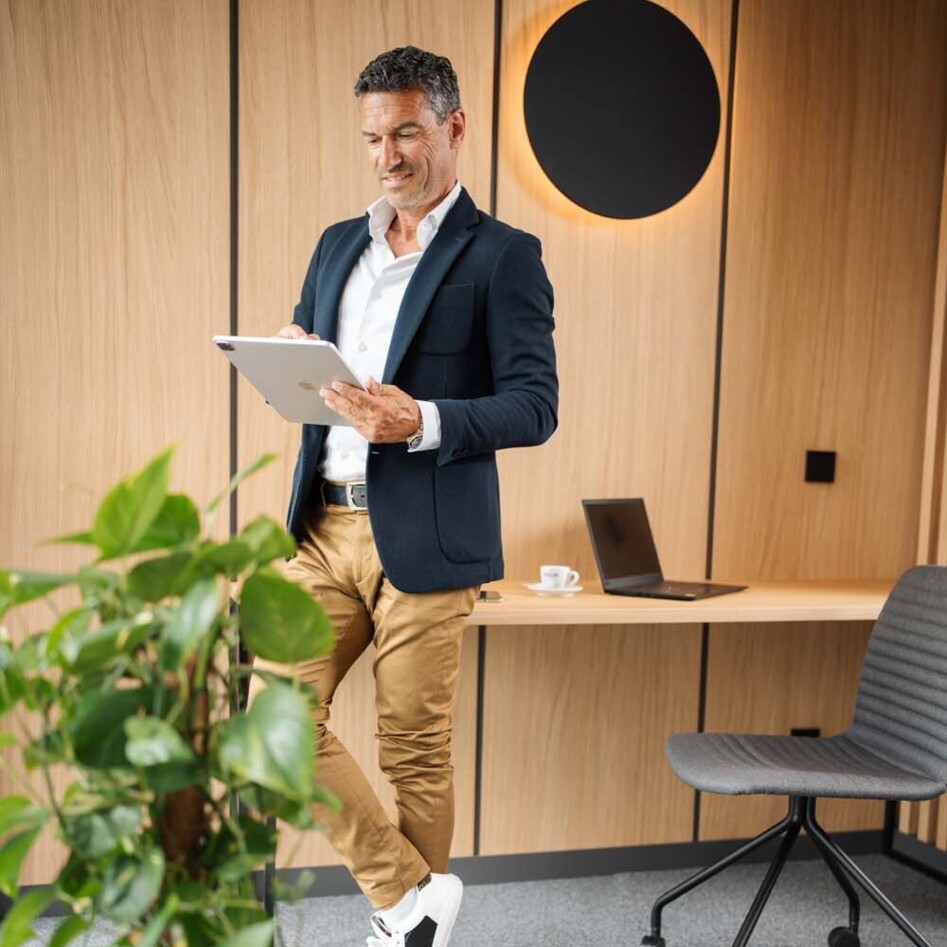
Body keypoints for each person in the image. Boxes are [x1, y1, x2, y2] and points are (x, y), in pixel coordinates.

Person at [269, 45, 558, 947]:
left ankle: (406, 937)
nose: (387, 156)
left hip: (427, 534)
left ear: (452, 127)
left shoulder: (503, 255)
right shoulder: (333, 245)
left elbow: (534, 403)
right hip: (322, 526)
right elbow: (319, 372)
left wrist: (424, 420)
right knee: (275, 715)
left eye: (405, 132)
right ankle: (408, 899)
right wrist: (285, 359)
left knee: (413, 750)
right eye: (372, 137)